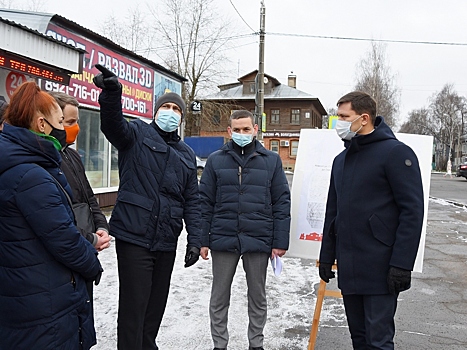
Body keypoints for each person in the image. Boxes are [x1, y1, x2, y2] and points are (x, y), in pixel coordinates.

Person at [92, 64, 202, 350]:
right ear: (155, 111)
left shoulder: (187, 155)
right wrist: (112, 94)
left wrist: (196, 239)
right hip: (135, 237)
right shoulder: (137, 134)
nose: (170, 113)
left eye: (176, 109)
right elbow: (112, 125)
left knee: (154, 309)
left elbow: (192, 199)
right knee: (134, 308)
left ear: (181, 117)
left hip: (166, 240)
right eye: (165, 107)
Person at [0, 81, 103, 349]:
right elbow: (64, 240)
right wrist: (92, 263)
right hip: (43, 304)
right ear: (42, 124)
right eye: (61, 121)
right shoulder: (32, 176)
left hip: (25, 294)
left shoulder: (21, 164)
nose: (66, 130)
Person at [319, 91, 424, 349]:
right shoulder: (341, 160)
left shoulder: (395, 153)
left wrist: (401, 264)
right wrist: (326, 255)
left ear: (364, 118)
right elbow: (334, 212)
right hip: (350, 265)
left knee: (378, 341)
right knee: (360, 339)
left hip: (382, 267)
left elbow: (412, 211)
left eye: (344, 116)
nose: (338, 122)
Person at [199, 110, 291, 350]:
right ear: (229, 132)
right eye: (237, 130)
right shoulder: (216, 160)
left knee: (258, 297)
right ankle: (219, 344)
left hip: (259, 237)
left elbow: (281, 201)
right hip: (223, 236)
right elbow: (204, 202)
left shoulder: (271, 160)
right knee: (219, 297)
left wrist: (280, 241)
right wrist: (202, 239)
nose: (241, 134)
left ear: (255, 130)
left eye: (246, 129)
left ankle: (256, 343)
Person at [49, 91, 111, 309]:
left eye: (77, 121)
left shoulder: (72, 155)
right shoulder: (46, 160)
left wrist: (101, 226)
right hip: (68, 252)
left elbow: (89, 196)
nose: (76, 127)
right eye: (70, 122)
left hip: (86, 247)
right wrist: (89, 238)